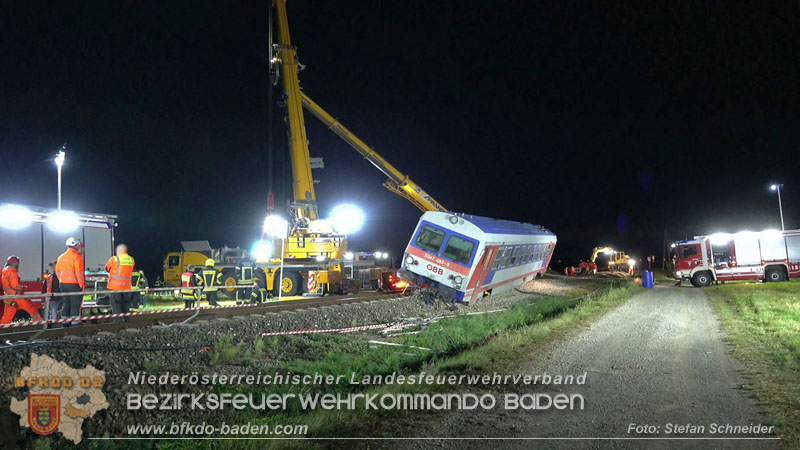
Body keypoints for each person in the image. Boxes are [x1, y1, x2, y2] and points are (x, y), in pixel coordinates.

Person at [0, 256, 43, 324]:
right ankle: (39, 322)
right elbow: (15, 286)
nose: (18, 264)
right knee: (31, 307)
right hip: (17, 296)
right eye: (17, 263)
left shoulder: (4, 273)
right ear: (15, 263)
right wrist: (23, 288)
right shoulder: (12, 272)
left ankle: (3, 327)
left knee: (8, 314)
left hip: (8, 297)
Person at [57, 237, 86, 324]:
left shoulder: (61, 257)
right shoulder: (77, 257)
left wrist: (61, 280)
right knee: (75, 304)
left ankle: (65, 322)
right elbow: (79, 273)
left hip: (63, 284)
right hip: (74, 285)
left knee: (66, 304)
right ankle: (75, 323)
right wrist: (82, 284)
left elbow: (57, 271)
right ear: (76, 245)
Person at [104, 244, 135, 323]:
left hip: (115, 287)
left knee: (116, 306)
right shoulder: (131, 259)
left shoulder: (114, 259)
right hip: (126, 287)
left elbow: (107, 268)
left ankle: (119, 323)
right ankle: (127, 322)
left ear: (119, 251)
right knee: (126, 305)